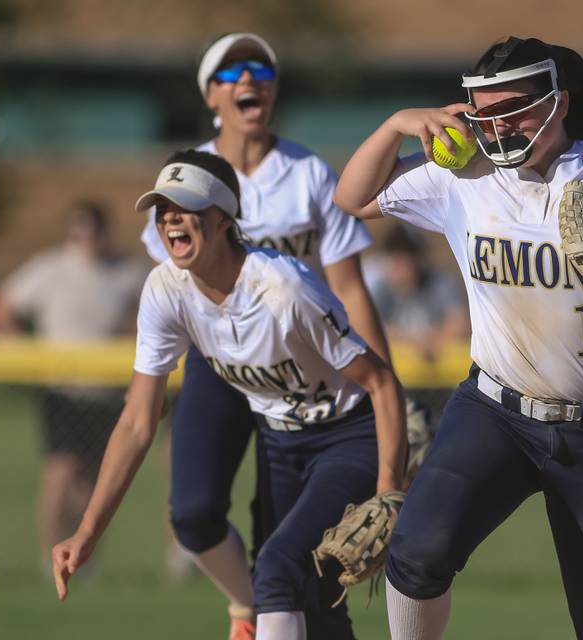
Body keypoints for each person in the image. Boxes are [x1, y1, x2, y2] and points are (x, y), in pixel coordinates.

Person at [334, 36, 583, 640]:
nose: (497, 125)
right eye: (483, 112)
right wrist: (395, 124)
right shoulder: (461, 173)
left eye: (513, 107)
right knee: (416, 554)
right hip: (495, 413)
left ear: (559, 102)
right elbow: (352, 197)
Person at [52, 150, 407, 640]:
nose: (171, 218)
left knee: (277, 571)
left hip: (345, 438)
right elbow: (138, 420)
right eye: (162, 210)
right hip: (281, 445)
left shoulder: (283, 288)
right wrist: (88, 531)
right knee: (316, 606)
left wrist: (389, 492)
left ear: (223, 220)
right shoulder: (165, 290)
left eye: (186, 206)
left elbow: (380, 382)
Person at [139, 32, 390, 639]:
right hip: (224, 365)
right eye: (231, 71)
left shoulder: (306, 172)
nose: (250, 77)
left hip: (304, 372)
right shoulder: (185, 179)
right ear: (210, 96)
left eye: (261, 68)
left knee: (304, 559)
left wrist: (386, 391)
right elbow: (176, 288)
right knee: (194, 513)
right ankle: (249, 603)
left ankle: (281, 607)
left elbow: (349, 288)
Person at [0, 201, 148, 569]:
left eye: (92, 231)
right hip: (60, 390)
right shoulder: (50, 268)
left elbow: (151, 315)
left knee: (93, 481)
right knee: (60, 472)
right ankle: (49, 559)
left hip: (107, 391)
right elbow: (1, 306)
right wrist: (21, 357)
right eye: (79, 231)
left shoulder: (126, 273)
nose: (85, 240)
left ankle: (84, 561)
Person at [364, 224, 469, 361]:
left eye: (408, 256)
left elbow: (460, 324)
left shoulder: (440, 282)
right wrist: (414, 342)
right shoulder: (379, 284)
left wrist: (432, 340)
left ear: (420, 258)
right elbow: (367, 328)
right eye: (396, 257)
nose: (402, 265)